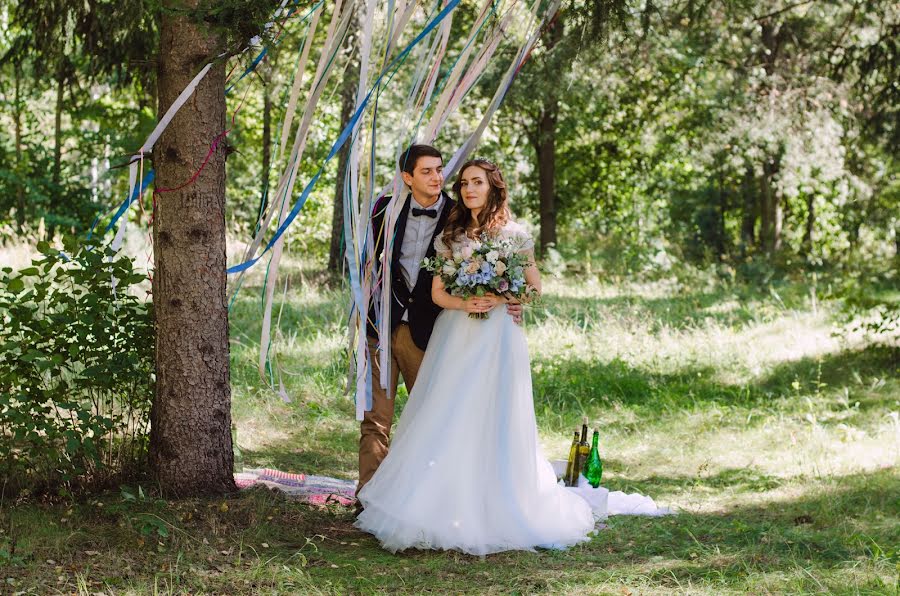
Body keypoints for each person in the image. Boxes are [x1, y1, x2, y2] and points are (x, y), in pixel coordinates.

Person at [354, 159, 597, 555]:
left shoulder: (516, 235)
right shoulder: (451, 234)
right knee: (450, 413)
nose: (468, 189)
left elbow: (535, 290)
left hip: (500, 338)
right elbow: (436, 294)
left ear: (493, 187)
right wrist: (466, 303)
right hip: (456, 334)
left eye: (477, 182)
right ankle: (436, 500)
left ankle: (498, 502)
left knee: (498, 415)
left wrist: (504, 298)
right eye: (464, 183)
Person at [358, 146, 523, 510]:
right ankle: (368, 499)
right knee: (375, 419)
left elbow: (496, 257)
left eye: (439, 170)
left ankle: (426, 501)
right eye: (428, 171)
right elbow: (369, 263)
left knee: (428, 420)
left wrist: (508, 297)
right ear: (408, 178)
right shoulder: (384, 209)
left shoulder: (456, 215)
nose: (437, 178)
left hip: (431, 331)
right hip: (382, 324)